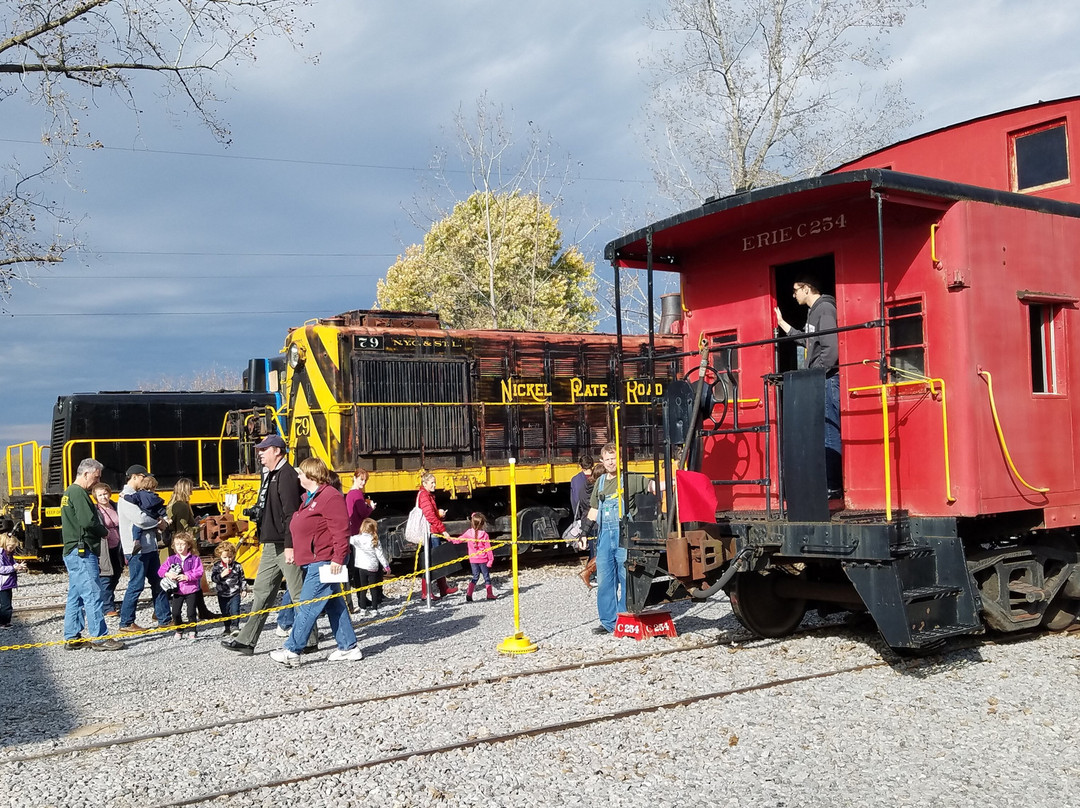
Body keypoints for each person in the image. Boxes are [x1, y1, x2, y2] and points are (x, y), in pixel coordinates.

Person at [222, 435, 316, 656]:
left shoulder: (286, 476)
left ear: (277, 451)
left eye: (264, 449)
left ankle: (309, 639)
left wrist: (290, 545)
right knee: (262, 591)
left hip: (284, 545)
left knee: (298, 592)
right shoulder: (270, 475)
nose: (259, 453)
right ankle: (247, 640)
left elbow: (291, 514)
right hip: (271, 544)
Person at [270, 456, 364, 666]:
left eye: (301, 473)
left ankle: (292, 650)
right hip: (316, 560)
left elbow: (341, 531)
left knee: (307, 604)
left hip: (325, 560)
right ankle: (349, 647)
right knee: (334, 604)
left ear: (311, 475)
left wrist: (338, 558)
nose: (298, 476)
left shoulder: (329, 497)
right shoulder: (310, 498)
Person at [774, 276, 842, 498]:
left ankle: (833, 486)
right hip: (821, 378)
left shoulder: (825, 309)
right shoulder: (813, 312)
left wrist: (817, 373)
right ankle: (829, 484)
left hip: (826, 379)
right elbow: (810, 342)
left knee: (829, 431)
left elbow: (830, 350)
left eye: (795, 290)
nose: (793, 295)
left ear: (806, 288)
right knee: (824, 431)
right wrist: (783, 324)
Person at [578, 443, 656, 635]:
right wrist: (584, 533)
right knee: (605, 580)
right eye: (608, 459)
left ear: (619, 460)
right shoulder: (600, 482)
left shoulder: (629, 479)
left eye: (614, 458)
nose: (611, 462)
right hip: (604, 538)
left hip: (624, 537)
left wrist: (674, 481)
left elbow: (652, 485)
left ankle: (625, 619)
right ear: (602, 461)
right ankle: (608, 622)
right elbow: (594, 511)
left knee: (626, 577)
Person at [61, 458, 124, 651]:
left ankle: (72, 636)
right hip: (82, 551)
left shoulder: (69, 493)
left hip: (73, 550)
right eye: (96, 477)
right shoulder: (78, 493)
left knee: (76, 595)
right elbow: (88, 521)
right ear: (86, 473)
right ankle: (100, 637)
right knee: (93, 593)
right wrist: (104, 531)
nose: (97, 481)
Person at [117, 464, 173, 632]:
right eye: (143, 476)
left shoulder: (137, 495)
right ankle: (126, 622)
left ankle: (164, 618)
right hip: (136, 550)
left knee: (158, 582)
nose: (145, 479)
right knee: (136, 585)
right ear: (134, 477)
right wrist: (159, 523)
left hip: (149, 547)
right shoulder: (126, 497)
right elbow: (140, 519)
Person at [416, 472, 458, 600]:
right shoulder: (424, 496)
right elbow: (429, 516)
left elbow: (430, 514)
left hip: (432, 531)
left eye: (435, 482)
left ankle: (441, 588)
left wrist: (438, 514)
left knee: (436, 560)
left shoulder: (426, 495)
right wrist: (443, 530)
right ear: (425, 484)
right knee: (431, 561)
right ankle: (428, 592)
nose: (434, 485)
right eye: (432, 483)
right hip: (431, 532)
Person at [158, 531, 205, 640]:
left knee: (191, 612)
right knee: (175, 612)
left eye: (182, 544)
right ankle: (179, 629)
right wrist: (167, 574)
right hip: (177, 590)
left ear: (188, 545)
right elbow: (160, 571)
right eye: (177, 544)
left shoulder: (194, 559)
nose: (179, 547)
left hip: (191, 589)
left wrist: (187, 577)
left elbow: (199, 572)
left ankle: (192, 630)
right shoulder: (171, 559)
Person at [92, 483, 124, 617]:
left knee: (117, 573)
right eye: (100, 495)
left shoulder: (116, 506)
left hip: (118, 546)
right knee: (106, 576)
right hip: (104, 547)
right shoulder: (95, 510)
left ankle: (107, 599)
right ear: (96, 497)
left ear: (109, 493)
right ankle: (107, 607)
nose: (103, 497)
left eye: (105, 494)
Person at [349, 517, 390, 615]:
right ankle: (375, 609)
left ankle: (363, 609)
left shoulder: (356, 539)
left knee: (363, 588)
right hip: (373, 567)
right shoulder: (374, 540)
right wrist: (386, 566)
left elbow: (347, 539)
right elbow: (380, 555)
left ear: (362, 528)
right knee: (373, 588)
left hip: (361, 567)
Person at [451, 512, 496, 602]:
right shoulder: (485, 535)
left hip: (473, 559)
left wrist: (450, 538)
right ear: (482, 524)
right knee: (486, 577)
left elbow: (458, 540)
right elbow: (488, 549)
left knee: (475, 577)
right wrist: (490, 560)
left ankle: (469, 594)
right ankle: (489, 594)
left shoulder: (468, 533)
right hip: (483, 559)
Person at [124, 474, 169, 549]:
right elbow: (160, 509)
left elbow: (132, 499)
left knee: (136, 527)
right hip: (153, 515)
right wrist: (165, 517)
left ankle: (136, 541)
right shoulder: (155, 497)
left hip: (145, 513)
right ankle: (158, 536)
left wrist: (124, 496)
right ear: (154, 487)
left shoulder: (139, 494)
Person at [210, 542, 244, 636]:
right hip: (222, 593)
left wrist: (243, 589)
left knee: (235, 610)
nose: (228, 559)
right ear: (220, 556)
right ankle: (227, 627)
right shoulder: (217, 566)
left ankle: (235, 627)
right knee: (224, 611)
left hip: (235, 592)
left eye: (230, 557)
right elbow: (213, 578)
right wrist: (221, 575)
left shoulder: (237, 566)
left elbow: (242, 578)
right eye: (225, 557)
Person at [0, 534, 28, 629]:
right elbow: (1, 569)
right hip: (3, 583)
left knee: (6, 603)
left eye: (13, 547)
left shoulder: (8, 554)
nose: (12, 549)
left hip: (7, 583)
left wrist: (18, 566)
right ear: (4, 545)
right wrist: (13, 568)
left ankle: (4, 621)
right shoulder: (1, 555)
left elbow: (12, 564)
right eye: (11, 547)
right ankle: (4, 623)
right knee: (6, 604)